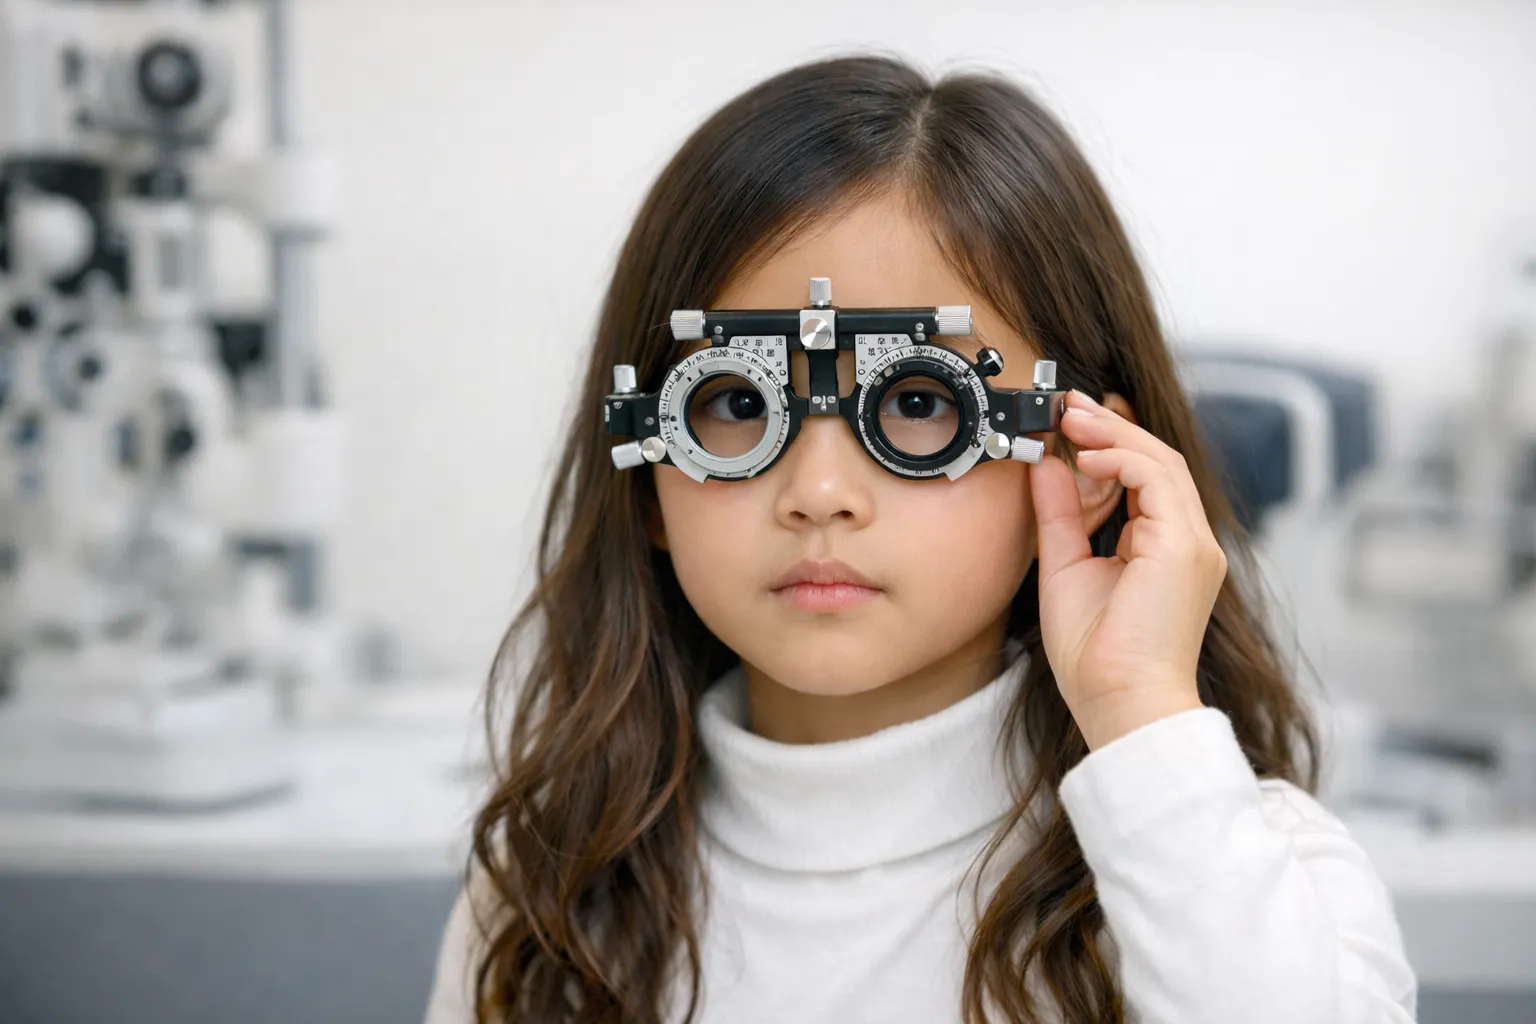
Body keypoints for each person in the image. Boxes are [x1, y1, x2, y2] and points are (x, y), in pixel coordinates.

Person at [423, 54, 1417, 1024]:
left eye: (918, 401)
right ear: (645, 472)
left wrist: (1143, 719)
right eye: (734, 400)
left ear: (1082, 463)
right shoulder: (552, 901)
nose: (817, 493)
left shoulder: (1243, 880)